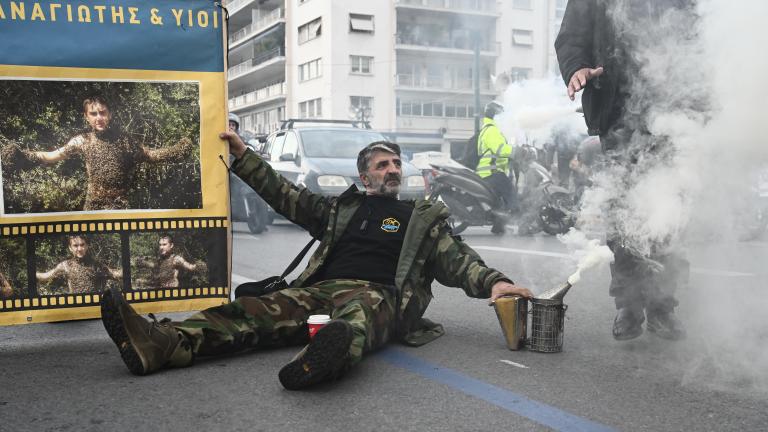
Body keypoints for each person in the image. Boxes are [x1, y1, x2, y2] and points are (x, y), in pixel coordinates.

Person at [99, 133, 533, 390]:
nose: (393, 169)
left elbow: (458, 260)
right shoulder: (340, 209)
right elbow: (286, 195)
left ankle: (320, 361)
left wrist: (495, 283)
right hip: (319, 291)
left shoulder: (421, 219)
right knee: (245, 312)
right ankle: (161, 344)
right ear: (365, 177)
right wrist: (243, 156)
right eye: (383, 165)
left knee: (358, 318)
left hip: (379, 295)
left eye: (397, 163)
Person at [555, 0, 692, 341]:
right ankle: (629, 304)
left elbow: (701, 39)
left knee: (669, 214)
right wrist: (577, 68)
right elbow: (572, 37)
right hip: (617, 114)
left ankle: (662, 306)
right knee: (623, 212)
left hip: (673, 115)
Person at [4, 96, 194, 211]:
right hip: (93, 205)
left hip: (120, 205)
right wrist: (24, 156)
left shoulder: (125, 140)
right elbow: (54, 156)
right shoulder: (82, 140)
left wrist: (177, 150)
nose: (99, 118)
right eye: (93, 114)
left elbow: (150, 156)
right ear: (86, 117)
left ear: (109, 114)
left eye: (102, 113)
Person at [475, 101, 516, 234]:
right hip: (491, 172)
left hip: (487, 173)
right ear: (496, 116)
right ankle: (523, 222)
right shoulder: (492, 130)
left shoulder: (487, 129)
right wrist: (517, 151)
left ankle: (498, 226)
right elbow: (500, 149)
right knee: (511, 194)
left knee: (500, 202)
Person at [36, 235, 122, 295]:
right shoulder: (65, 265)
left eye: (82, 245)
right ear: (70, 248)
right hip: (75, 307)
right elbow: (45, 276)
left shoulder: (96, 265)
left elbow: (116, 274)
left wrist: (130, 268)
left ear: (87, 246)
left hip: (94, 306)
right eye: (75, 245)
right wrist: (30, 273)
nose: (79, 249)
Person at [135, 235, 206, 289]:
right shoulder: (161, 258)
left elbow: (190, 267)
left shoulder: (176, 259)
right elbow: (155, 266)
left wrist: (200, 265)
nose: (161, 247)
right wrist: (144, 263)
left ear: (171, 245)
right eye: (160, 245)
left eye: (164, 244)